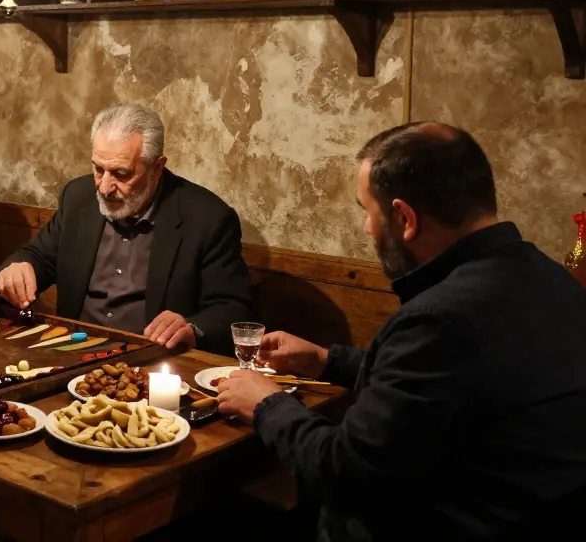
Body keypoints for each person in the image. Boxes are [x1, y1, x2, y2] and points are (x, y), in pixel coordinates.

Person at [216, 123, 586, 540]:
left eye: (366, 212)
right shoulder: (551, 279)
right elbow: (444, 392)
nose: (368, 230)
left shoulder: (441, 319)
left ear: (404, 218)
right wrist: (327, 360)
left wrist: (265, 404)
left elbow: (345, 472)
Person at [0, 104, 253, 355]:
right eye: (98, 169)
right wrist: (18, 267)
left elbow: (235, 309)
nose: (104, 187)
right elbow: (38, 257)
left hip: (152, 361)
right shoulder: (78, 197)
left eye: (121, 173)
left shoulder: (207, 218)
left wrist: (192, 328)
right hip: (71, 353)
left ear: (156, 169)